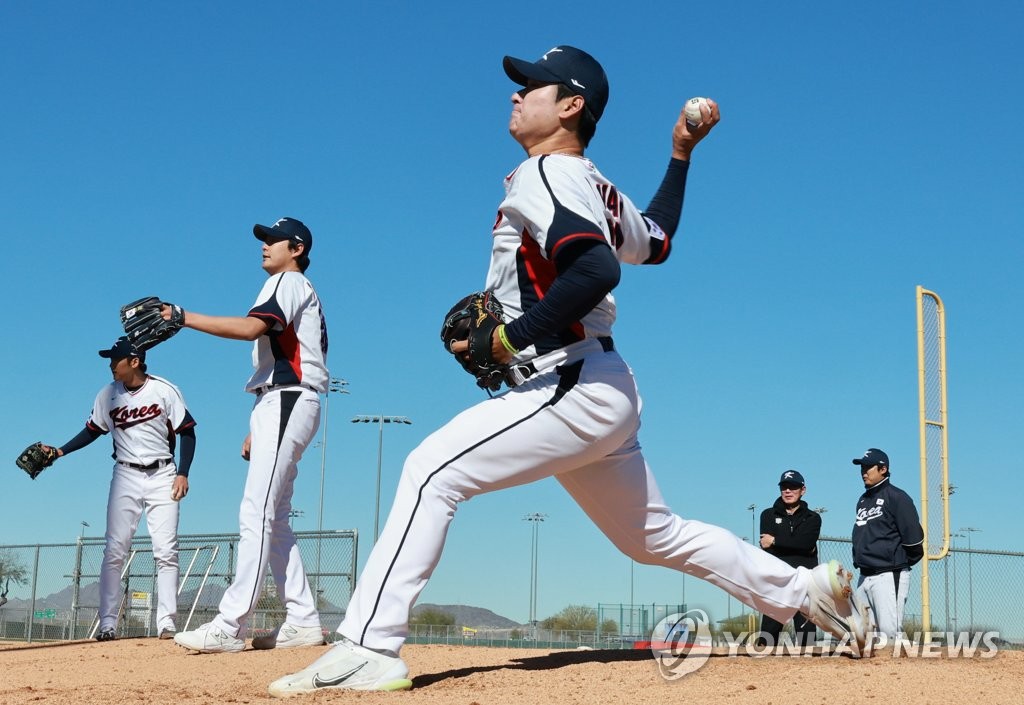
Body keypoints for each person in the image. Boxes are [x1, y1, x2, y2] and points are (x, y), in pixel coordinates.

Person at [269, 46, 869, 696]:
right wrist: (679, 154)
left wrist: (507, 338)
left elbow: (597, 270)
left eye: (531, 85)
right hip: (598, 386)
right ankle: (808, 591)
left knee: (429, 470)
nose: (515, 94)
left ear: (571, 105)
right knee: (653, 536)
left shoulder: (546, 173)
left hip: (569, 378)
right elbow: (658, 242)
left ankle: (369, 646)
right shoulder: (589, 182)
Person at [171, 217, 328, 653]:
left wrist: (183, 317)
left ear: (295, 248)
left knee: (256, 512)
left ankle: (230, 625)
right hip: (280, 401)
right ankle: (302, 619)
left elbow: (250, 329)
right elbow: (276, 355)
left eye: (272, 240)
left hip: (289, 399)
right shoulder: (289, 284)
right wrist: (256, 420)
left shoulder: (290, 282)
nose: (264, 246)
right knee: (273, 516)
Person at [43, 337, 196, 641]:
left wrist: (183, 473)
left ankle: (166, 622)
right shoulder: (107, 395)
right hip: (124, 474)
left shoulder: (164, 390)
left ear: (134, 361)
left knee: (166, 550)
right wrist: (60, 451)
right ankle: (108, 623)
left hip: (163, 473)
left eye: (116, 359)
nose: (111, 364)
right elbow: (92, 431)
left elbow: (187, 432)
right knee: (114, 550)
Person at [851, 448, 924, 640]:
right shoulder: (863, 500)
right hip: (864, 575)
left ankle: (901, 671)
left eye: (868, 467)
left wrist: (897, 562)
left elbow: (914, 538)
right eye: (862, 467)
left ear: (883, 469)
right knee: (864, 633)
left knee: (889, 634)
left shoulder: (897, 497)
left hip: (889, 574)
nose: (863, 472)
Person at [756, 470, 821, 648]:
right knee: (767, 639)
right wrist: (796, 545)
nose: (788, 491)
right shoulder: (767, 515)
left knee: (807, 641)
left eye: (793, 487)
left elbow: (806, 544)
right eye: (784, 487)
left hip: (804, 582)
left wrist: (776, 541)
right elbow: (765, 545)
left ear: (803, 490)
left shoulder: (813, 518)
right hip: (777, 583)